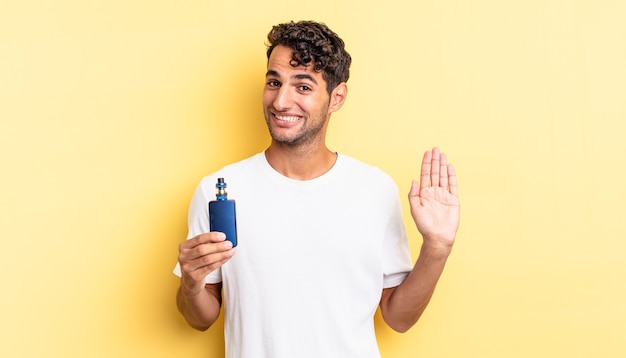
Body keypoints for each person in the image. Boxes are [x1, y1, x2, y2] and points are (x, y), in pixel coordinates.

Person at [174, 20, 460, 358]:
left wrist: (437, 247)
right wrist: (190, 285)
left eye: (303, 87)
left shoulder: (374, 189)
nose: (281, 101)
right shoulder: (220, 190)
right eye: (273, 82)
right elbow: (200, 319)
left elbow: (398, 318)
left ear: (336, 97)